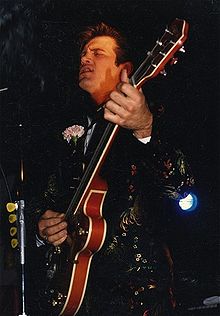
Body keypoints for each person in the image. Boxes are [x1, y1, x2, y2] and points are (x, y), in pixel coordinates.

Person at [28, 22, 194, 315]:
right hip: (76, 296)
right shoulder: (72, 133)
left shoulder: (155, 115)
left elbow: (182, 188)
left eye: (98, 52)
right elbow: (47, 200)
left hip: (138, 298)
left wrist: (144, 127)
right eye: (83, 54)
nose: (84, 59)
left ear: (125, 69)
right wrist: (44, 229)